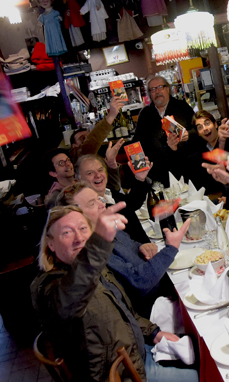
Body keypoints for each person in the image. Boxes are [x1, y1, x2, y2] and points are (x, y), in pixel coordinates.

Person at [31, 204, 198, 382]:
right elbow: (70, 296)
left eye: (82, 229)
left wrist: (153, 332)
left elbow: (125, 312)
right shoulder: (48, 287)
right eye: (67, 232)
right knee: (197, 376)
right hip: (119, 375)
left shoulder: (96, 269)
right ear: (50, 244)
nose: (79, 238)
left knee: (196, 349)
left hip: (135, 352)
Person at [57, 182, 189, 317]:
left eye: (98, 199)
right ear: (75, 216)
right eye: (92, 203)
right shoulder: (93, 252)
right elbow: (139, 283)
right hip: (151, 311)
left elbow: (130, 244)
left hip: (162, 291)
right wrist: (171, 248)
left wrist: (140, 247)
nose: (102, 204)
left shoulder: (107, 228)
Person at [132, 75, 196, 185]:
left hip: (184, 168)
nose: (157, 91)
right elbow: (137, 141)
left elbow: (198, 130)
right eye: (153, 89)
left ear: (168, 89)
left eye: (160, 87)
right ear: (149, 94)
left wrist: (188, 134)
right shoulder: (145, 113)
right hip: (158, 173)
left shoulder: (182, 106)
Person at [75, 154, 151, 244]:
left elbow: (132, 204)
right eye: (90, 173)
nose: (98, 175)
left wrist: (139, 178)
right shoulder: (89, 209)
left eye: (100, 170)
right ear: (78, 180)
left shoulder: (109, 192)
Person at [43, 139, 124, 209]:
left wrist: (111, 163)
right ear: (53, 173)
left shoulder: (83, 183)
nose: (67, 164)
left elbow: (114, 189)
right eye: (61, 163)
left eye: (68, 160)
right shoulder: (56, 198)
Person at [69, 97, 126, 163]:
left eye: (88, 137)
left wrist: (112, 163)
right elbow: (93, 139)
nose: (87, 140)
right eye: (83, 138)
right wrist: (112, 115)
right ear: (74, 146)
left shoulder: (98, 159)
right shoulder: (80, 156)